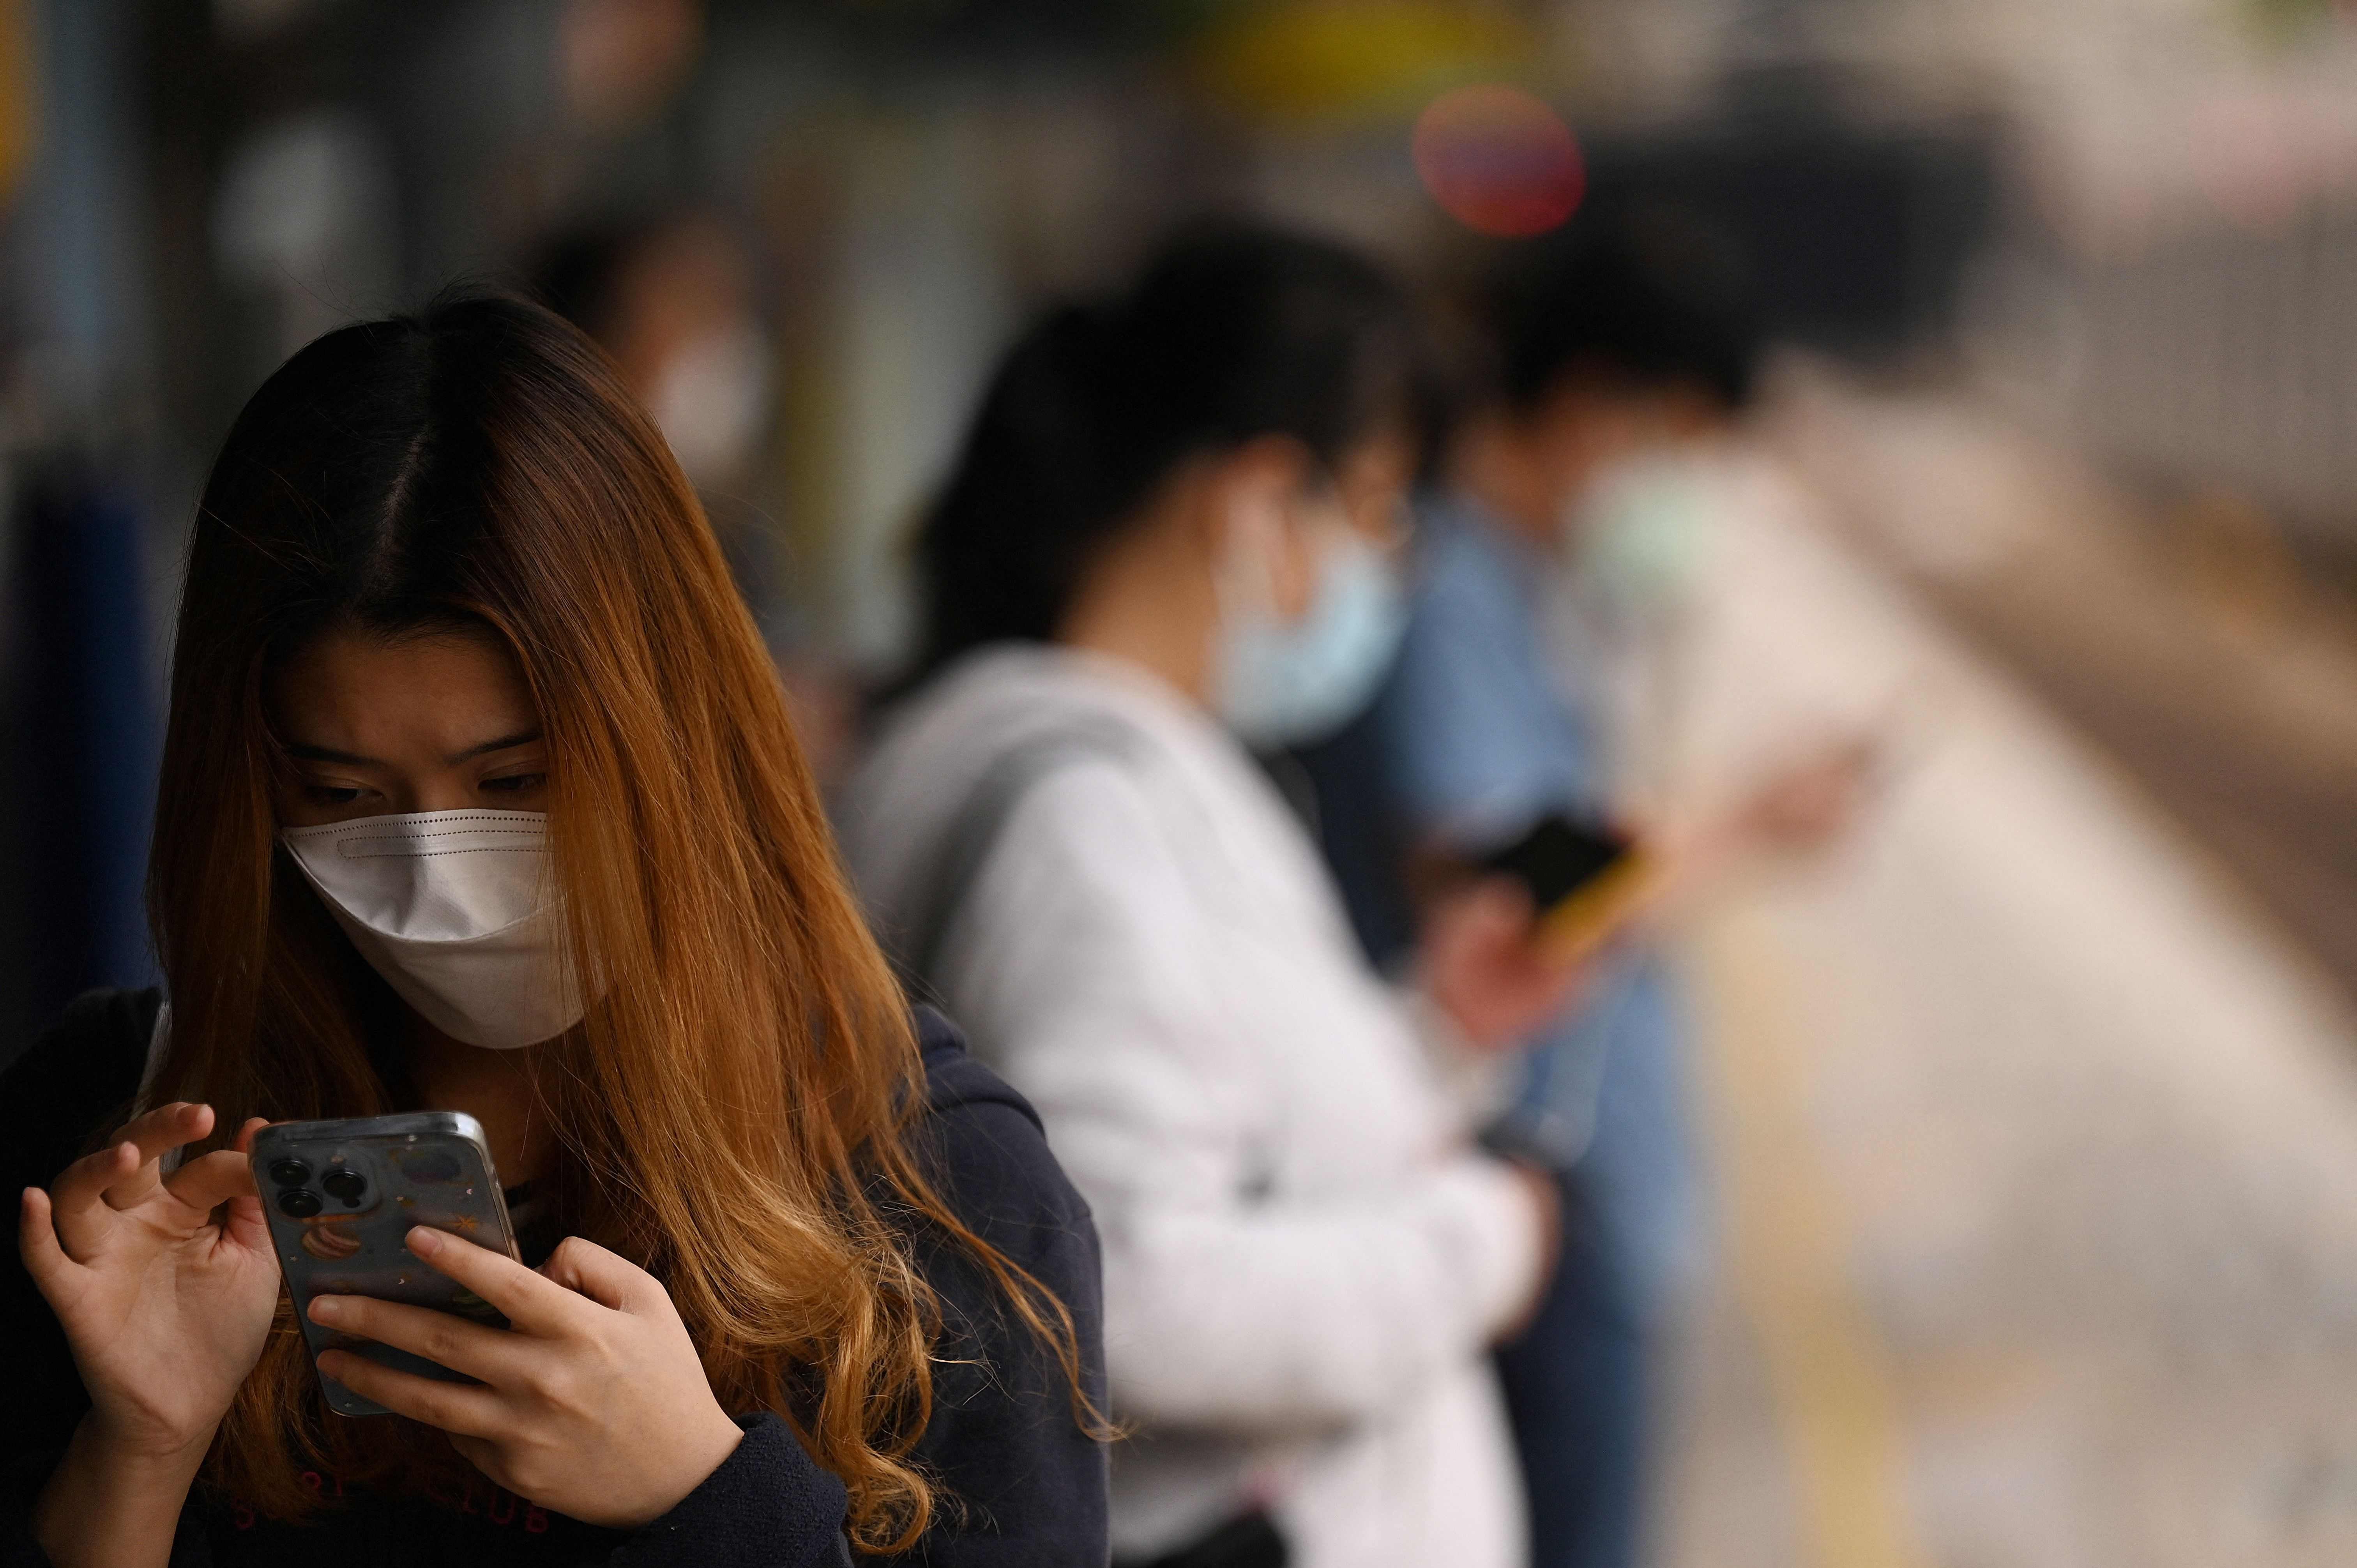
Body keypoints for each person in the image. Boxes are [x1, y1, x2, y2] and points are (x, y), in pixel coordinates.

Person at [2, 295, 1106, 1568]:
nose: (432, 866)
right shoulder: (115, 1140)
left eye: (517, 781)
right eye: (342, 795)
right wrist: (136, 1456)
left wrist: (706, 1499)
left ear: (677, 738)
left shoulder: (937, 1190)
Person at [837, 221, 1585, 1568]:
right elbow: (1131, 1288)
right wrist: (1485, 1244)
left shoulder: (1131, 769)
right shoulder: (1088, 820)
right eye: (1376, 513)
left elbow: (1237, 1139)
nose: (1390, 568)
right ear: (1252, 501)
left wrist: (1439, 1034)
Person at [1294, 205, 1869, 1568]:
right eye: (1675, 445)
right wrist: (1750, 824)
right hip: (1535, 1182)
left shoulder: (1535, 585)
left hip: (1579, 1178)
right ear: (1589, 402)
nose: (1681, 490)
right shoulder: (1444, 591)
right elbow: (1504, 879)